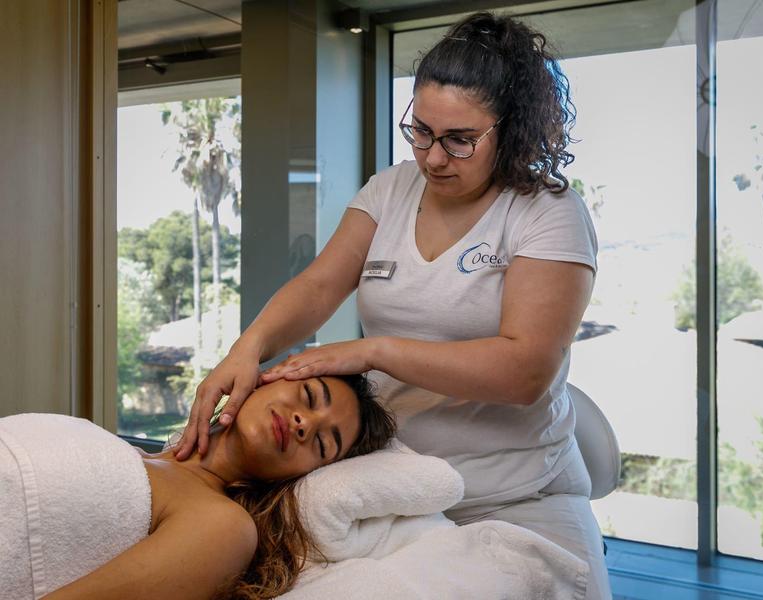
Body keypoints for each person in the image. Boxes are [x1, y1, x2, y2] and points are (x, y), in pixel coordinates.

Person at [177, 11, 610, 599]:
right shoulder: (392, 188)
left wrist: (372, 351)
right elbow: (319, 286)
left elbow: (525, 371)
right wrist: (247, 347)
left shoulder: (547, 212)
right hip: (391, 485)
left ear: (512, 131)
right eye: (421, 131)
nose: (433, 158)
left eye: (460, 140)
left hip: (516, 494)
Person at [2, 374, 395, 600]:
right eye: (309, 396)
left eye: (322, 444)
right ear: (265, 378)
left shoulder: (223, 526)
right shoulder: (131, 455)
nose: (304, 423)